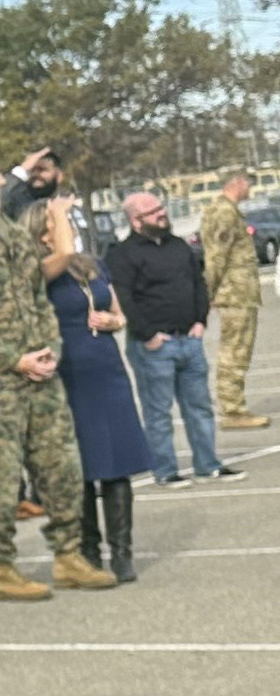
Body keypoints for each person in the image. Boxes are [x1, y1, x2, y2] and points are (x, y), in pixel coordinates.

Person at [0, 150, 114, 600]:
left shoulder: (14, 237)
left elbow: (39, 300)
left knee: (61, 467)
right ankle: (1, 569)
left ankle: (68, 555)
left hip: (41, 374)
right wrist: (14, 359)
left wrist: (49, 351)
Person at [45, 235, 155, 582]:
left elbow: (118, 311)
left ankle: (122, 553)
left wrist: (114, 321)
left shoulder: (91, 265)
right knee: (82, 465)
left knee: (117, 462)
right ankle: (89, 551)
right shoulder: (40, 271)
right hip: (69, 373)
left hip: (107, 369)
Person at [106, 189, 232, 485]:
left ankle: (208, 464)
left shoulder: (178, 246)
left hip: (190, 340)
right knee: (158, 413)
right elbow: (124, 299)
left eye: (161, 208)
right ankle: (165, 470)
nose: (162, 214)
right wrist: (149, 335)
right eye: (153, 211)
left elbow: (199, 284)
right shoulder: (122, 255)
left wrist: (200, 322)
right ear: (136, 220)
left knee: (199, 407)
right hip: (153, 347)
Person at [200, 170, 266, 431]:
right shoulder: (224, 212)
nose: (251, 188)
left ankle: (235, 405)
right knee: (234, 351)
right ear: (236, 183)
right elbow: (216, 257)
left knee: (239, 350)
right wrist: (208, 295)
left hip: (241, 293)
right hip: (234, 295)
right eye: (248, 182)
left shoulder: (229, 210)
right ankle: (232, 410)